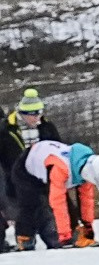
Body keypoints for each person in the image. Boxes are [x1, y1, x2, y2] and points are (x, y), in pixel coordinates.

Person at [22, 137, 99, 247]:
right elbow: (58, 203)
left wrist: (88, 226)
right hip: (25, 171)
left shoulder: (87, 166)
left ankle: (73, 235)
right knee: (37, 207)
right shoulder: (61, 168)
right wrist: (65, 236)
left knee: (67, 208)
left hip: (48, 167)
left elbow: (86, 199)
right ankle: (25, 239)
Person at [2, 88, 62, 252]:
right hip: (16, 180)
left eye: (39, 112)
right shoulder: (7, 130)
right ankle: (25, 242)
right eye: (33, 113)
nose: (37, 117)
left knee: (47, 209)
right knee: (25, 211)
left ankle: (56, 239)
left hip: (43, 178)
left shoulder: (47, 127)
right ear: (23, 113)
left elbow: (58, 147)